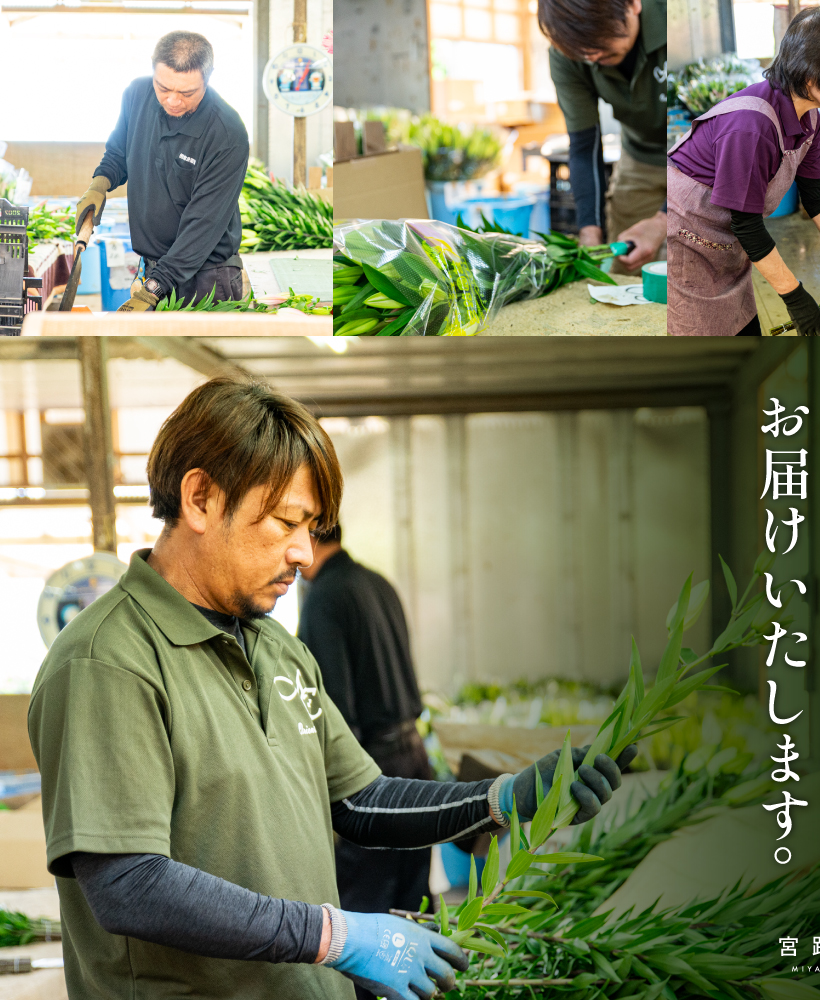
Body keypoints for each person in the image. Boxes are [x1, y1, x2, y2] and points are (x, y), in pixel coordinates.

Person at [28, 376, 636, 1000]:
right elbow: (129, 884)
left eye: (313, 527)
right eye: (287, 521)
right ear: (201, 498)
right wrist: (332, 936)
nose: (301, 551)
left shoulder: (277, 649)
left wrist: (500, 798)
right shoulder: (109, 662)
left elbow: (359, 801)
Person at [666, 7, 820, 337]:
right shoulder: (751, 127)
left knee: (741, 328)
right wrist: (797, 298)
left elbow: (815, 195)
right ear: (813, 76)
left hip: (726, 242)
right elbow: (747, 224)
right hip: (689, 243)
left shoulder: (809, 118)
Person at [297, 522, 436, 998]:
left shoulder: (324, 597)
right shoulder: (378, 583)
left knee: (364, 918)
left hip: (372, 771)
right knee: (414, 906)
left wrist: (335, 798)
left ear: (309, 533)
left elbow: (332, 708)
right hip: (414, 757)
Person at [75, 31, 248, 312]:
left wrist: (152, 289)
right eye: (163, 88)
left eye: (187, 92)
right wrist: (99, 185)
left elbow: (202, 226)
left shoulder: (227, 134)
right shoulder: (136, 95)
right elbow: (119, 152)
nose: (173, 101)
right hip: (154, 267)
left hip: (207, 279)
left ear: (209, 76)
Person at [538, 0, 667, 272]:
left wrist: (663, 221)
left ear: (633, 4)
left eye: (600, 38)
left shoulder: (674, 18)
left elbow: (711, 131)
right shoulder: (569, 53)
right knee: (626, 266)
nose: (594, 55)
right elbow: (584, 145)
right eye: (583, 52)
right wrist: (589, 230)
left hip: (701, 151)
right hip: (640, 155)